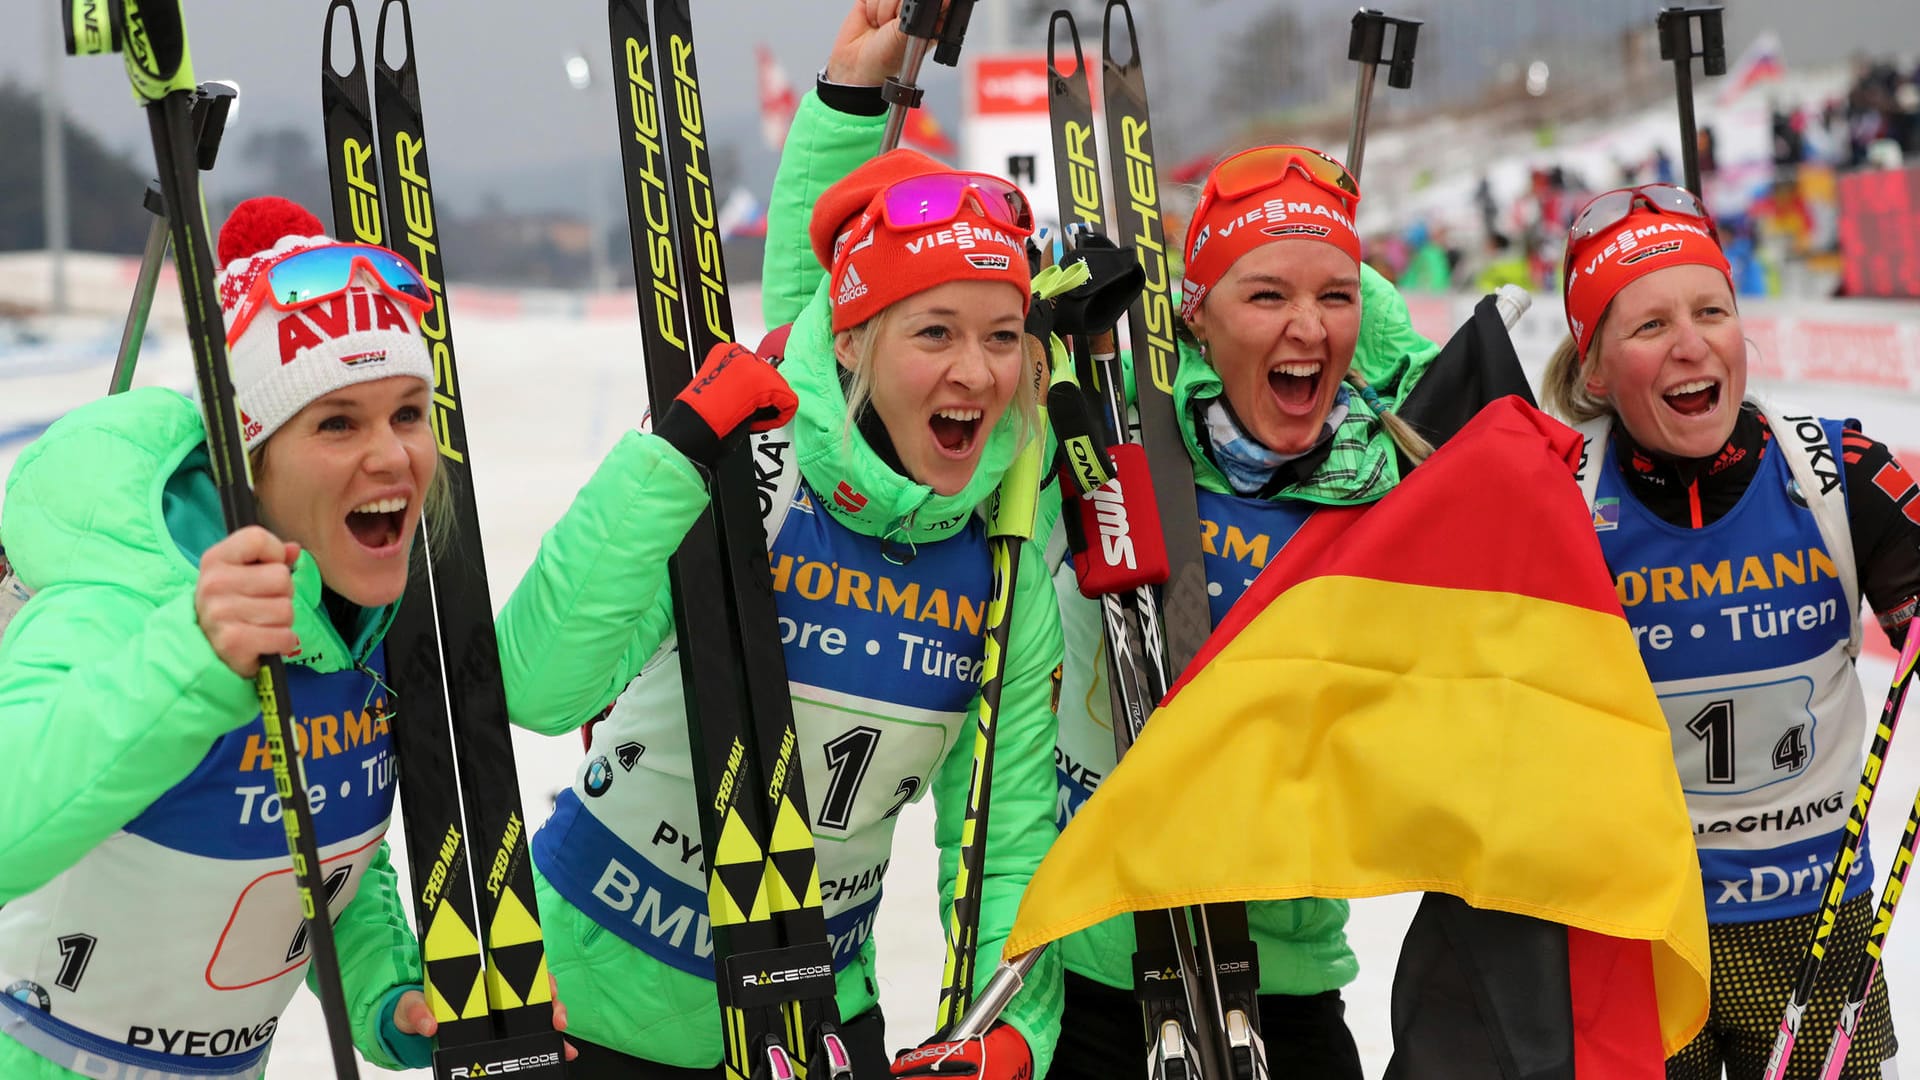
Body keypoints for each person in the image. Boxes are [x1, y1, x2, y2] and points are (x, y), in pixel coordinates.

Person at [493, 4, 1063, 1077]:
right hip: (591, 997)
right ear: (853, 343)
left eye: (1001, 336)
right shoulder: (747, 465)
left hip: (809, 1016)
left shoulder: (1002, 556)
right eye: (934, 333)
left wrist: (1007, 1032)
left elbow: (1003, 837)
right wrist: (667, 461)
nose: (977, 373)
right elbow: (536, 682)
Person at [0, 197, 570, 1077]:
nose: (392, 456)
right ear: (250, 456)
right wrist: (196, 655)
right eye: (338, 421)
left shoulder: (363, 624)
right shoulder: (123, 593)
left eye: (408, 414)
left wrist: (392, 991)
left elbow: (322, 861)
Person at [1043, 141, 1542, 1078]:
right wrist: (853, 102)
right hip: (1092, 975)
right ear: (1196, 313)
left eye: (1336, 297)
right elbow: (861, 352)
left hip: (1285, 982)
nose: (1306, 327)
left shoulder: (1395, 479)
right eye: (1266, 296)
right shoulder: (1103, 427)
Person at [1542, 182, 1916, 1079]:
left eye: (1712, 309)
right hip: (1639, 932)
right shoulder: (1559, 495)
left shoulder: (1834, 471)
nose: (1691, 342)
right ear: (1594, 369)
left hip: (1815, 931)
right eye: (1648, 325)